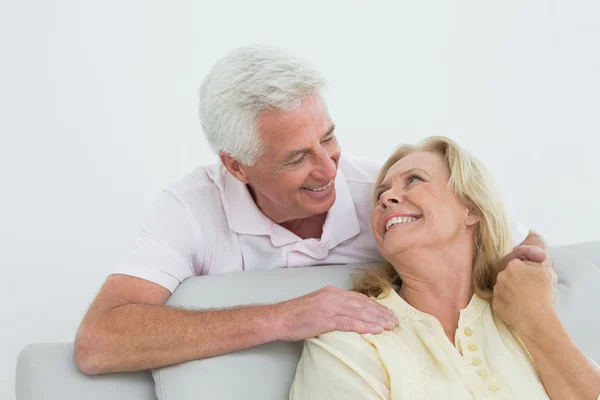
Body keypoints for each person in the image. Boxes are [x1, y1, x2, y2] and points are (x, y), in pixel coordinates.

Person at [74, 46, 549, 375]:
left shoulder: (385, 194)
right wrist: (285, 317)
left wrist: (520, 282)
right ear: (236, 166)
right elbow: (99, 341)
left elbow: (519, 241)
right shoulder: (191, 208)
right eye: (297, 157)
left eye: (328, 138)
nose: (327, 169)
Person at [289, 137, 600, 400]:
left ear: (472, 209)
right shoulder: (350, 340)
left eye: (414, 179)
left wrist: (537, 316)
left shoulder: (522, 313)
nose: (386, 198)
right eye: (380, 195)